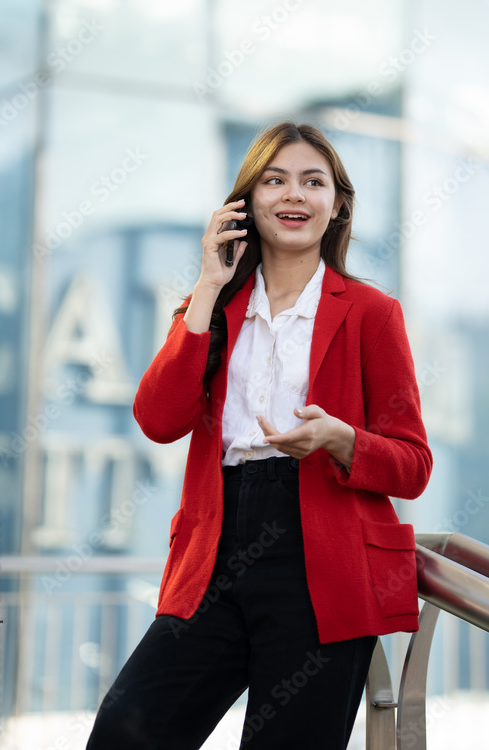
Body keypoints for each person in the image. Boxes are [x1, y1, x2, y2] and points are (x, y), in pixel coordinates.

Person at [85, 120, 433, 750]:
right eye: (274, 180)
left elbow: (412, 464)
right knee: (125, 733)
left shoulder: (372, 314)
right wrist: (208, 286)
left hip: (322, 563)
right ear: (246, 203)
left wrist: (338, 439)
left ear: (337, 204)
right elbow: (158, 421)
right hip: (215, 550)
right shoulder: (210, 308)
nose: (293, 194)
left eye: (312, 181)